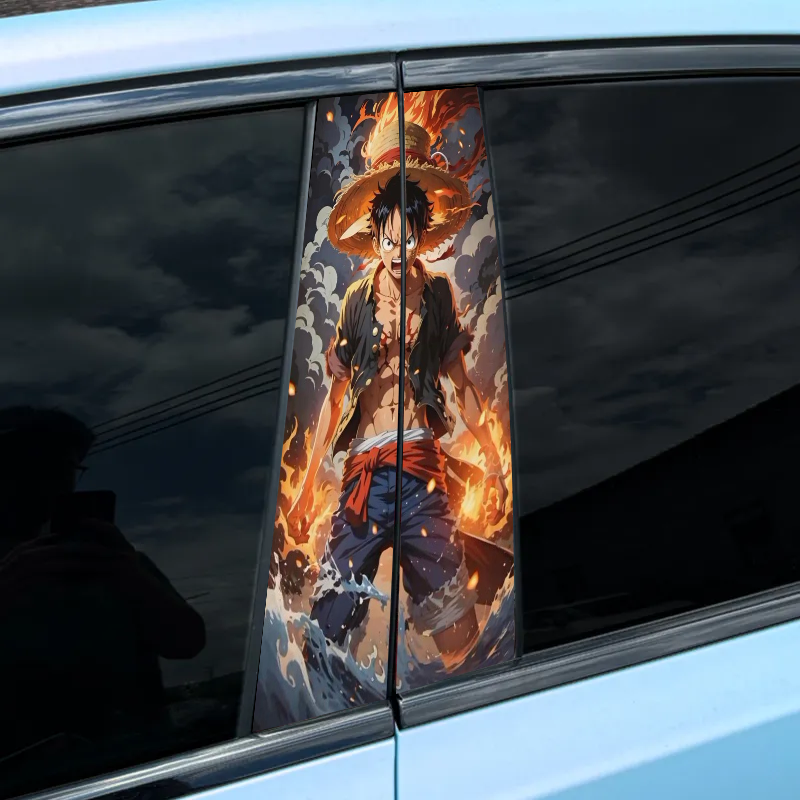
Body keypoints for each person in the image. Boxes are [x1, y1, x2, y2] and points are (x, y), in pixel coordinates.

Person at [288, 121, 508, 668]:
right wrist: (309, 485)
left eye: (407, 237)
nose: (397, 248)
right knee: (327, 628)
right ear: (376, 234)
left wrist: (494, 460)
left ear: (420, 233)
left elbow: (461, 384)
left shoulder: (438, 295)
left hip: (421, 472)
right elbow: (335, 400)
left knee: (456, 624)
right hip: (364, 478)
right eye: (388, 238)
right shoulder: (356, 301)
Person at [0, 406, 205, 791]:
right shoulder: (10, 575)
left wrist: (127, 573)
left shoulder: (116, 558)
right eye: (33, 468)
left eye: (64, 470)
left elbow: (188, 642)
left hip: (143, 772)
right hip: (28, 780)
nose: (52, 485)